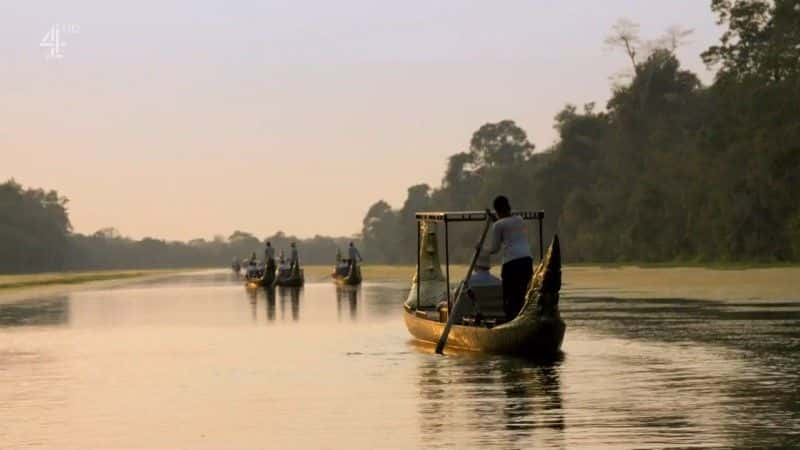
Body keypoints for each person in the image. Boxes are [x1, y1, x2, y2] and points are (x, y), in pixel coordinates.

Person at [487, 195, 533, 319]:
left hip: (511, 263)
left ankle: (511, 320)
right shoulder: (520, 219)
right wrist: (496, 221)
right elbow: (508, 227)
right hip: (526, 260)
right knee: (524, 293)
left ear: (497, 211)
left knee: (510, 298)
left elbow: (495, 249)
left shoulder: (498, 225)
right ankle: (525, 317)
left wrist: (482, 250)